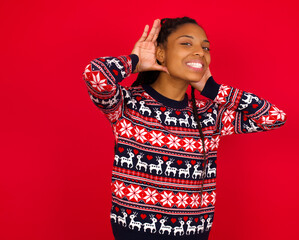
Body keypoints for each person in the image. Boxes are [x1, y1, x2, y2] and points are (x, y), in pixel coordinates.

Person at [82, 17, 286, 240]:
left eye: (205, 47)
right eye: (186, 43)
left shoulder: (210, 115)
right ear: (160, 53)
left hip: (194, 233)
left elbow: (273, 117)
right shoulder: (128, 104)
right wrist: (135, 61)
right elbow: (95, 75)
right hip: (134, 232)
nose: (200, 52)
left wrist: (214, 90)